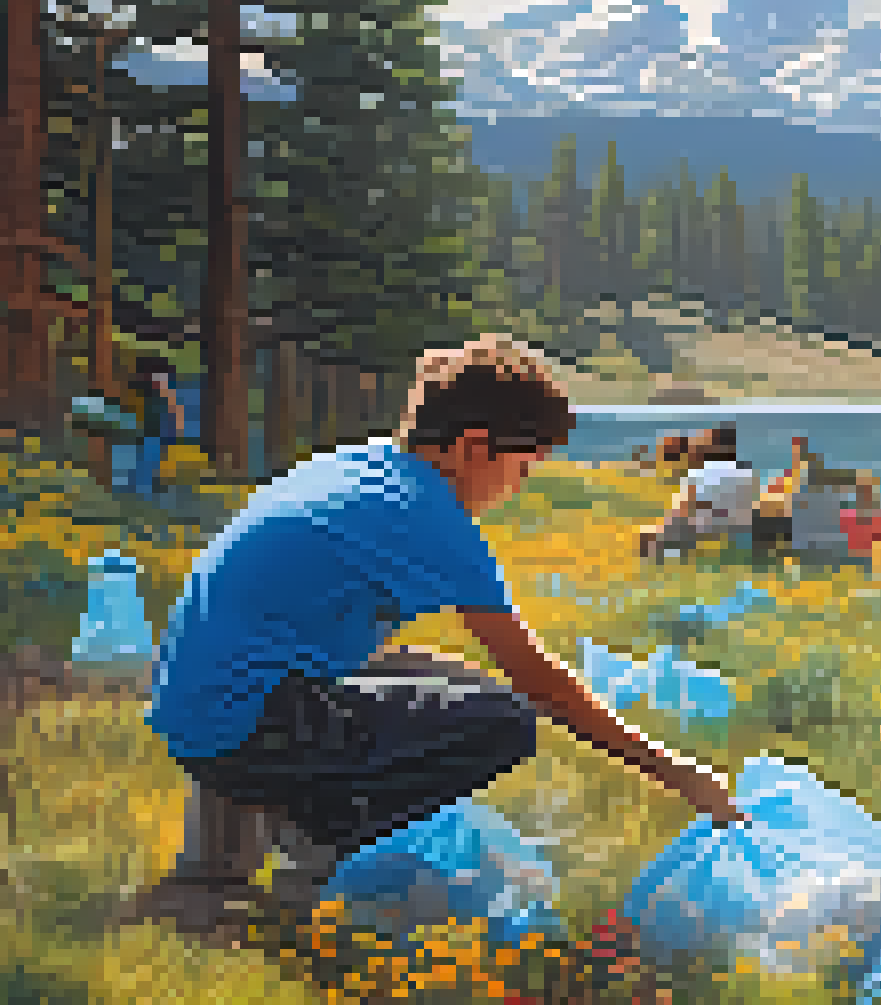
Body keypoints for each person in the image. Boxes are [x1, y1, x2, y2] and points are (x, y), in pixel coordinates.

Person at [121, 335, 745, 939]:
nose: (517, 488)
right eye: (521, 468)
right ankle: (321, 866)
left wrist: (429, 676)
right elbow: (537, 680)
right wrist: (678, 771)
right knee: (504, 721)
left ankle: (232, 860)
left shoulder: (360, 468)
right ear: (474, 447)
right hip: (235, 729)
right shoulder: (428, 516)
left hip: (196, 703)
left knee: (453, 683)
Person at [637, 427, 764, 559]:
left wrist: (664, 527)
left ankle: (667, 552)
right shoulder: (746, 473)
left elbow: (686, 505)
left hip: (707, 527)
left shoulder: (703, 471)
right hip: (742, 527)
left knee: (654, 535)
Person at [127, 354, 187, 499]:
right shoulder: (151, 393)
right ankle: (142, 490)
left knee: (150, 462)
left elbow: (175, 409)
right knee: (146, 462)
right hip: (152, 432)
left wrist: (178, 429)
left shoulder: (164, 389)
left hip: (158, 432)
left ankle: (145, 491)